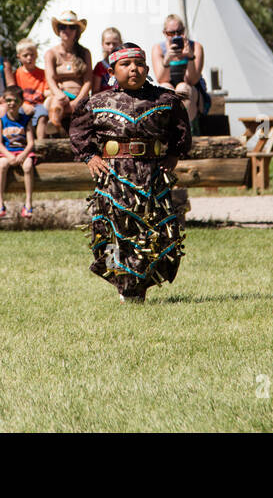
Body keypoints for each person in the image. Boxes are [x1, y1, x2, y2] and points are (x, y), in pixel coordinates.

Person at [69, 43, 192, 304]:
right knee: (115, 231)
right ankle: (122, 283)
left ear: (147, 68)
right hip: (114, 179)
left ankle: (140, 286)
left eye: (138, 64)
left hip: (152, 177)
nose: (133, 69)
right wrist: (90, 157)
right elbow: (79, 132)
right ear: (112, 70)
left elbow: (181, 131)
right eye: (125, 65)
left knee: (152, 231)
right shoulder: (98, 102)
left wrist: (173, 155)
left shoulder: (165, 100)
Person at [149, 14, 207, 127]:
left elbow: (193, 80)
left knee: (183, 88)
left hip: (192, 91)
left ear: (184, 31)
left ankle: (185, 128)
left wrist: (190, 57)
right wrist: (167, 60)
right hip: (170, 87)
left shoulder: (195, 47)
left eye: (179, 32)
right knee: (165, 88)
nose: (176, 36)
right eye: (171, 33)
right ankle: (169, 130)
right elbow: (161, 79)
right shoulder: (158, 49)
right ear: (165, 33)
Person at [43, 11, 92, 137]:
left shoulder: (85, 53)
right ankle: (53, 125)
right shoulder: (51, 53)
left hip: (79, 96)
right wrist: (59, 95)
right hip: (60, 96)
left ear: (77, 31)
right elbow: (50, 78)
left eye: (72, 27)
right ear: (58, 30)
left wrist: (76, 102)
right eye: (62, 26)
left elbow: (88, 81)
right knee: (56, 102)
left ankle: (56, 126)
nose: (67, 30)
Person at [0, 85, 36, 220]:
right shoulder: (1, 121)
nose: (12, 103)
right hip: (7, 152)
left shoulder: (26, 120)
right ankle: (0, 203)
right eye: (9, 100)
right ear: (4, 101)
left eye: (15, 101)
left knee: (28, 165)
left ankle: (28, 202)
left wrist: (23, 155)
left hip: (23, 152)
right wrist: (9, 155)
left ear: (21, 102)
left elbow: (30, 143)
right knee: (2, 165)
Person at [13, 39, 49, 141]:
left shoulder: (43, 73)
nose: (29, 58)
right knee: (20, 116)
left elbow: (46, 91)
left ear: (36, 55)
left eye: (32, 55)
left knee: (42, 115)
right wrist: (24, 104)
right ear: (19, 57)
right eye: (25, 55)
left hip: (39, 104)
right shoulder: (16, 74)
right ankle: (25, 143)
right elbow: (14, 93)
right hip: (22, 104)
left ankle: (41, 144)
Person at [92, 27, 124, 94]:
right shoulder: (100, 66)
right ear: (102, 44)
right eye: (108, 43)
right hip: (104, 102)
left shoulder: (125, 65)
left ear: (121, 43)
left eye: (114, 44)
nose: (111, 47)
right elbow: (95, 91)